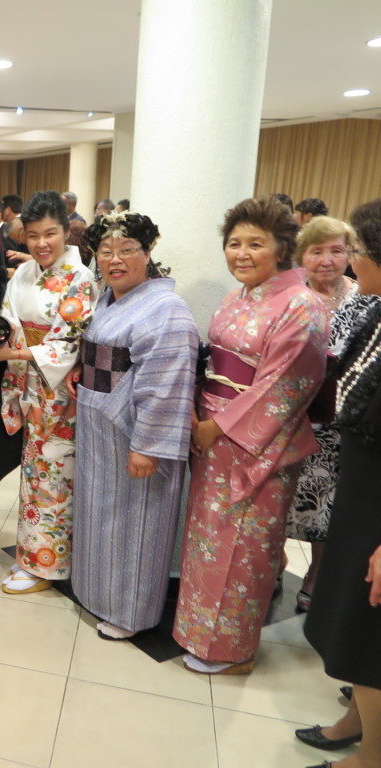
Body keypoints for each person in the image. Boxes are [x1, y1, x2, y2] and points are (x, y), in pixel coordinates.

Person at [173, 196, 328, 675]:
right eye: (234, 243)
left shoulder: (303, 305)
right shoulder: (236, 296)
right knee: (209, 538)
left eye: (255, 244)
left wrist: (217, 426)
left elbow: (285, 384)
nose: (241, 253)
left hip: (256, 439)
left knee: (245, 544)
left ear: (282, 248)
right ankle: (199, 631)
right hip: (212, 431)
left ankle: (232, 649)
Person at [71, 211, 199, 640]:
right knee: (103, 519)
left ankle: (130, 612)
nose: (115, 259)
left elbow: (165, 384)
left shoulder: (167, 310)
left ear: (148, 252)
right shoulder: (108, 299)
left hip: (133, 436)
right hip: (99, 428)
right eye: (105, 251)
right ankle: (97, 594)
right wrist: (82, 373)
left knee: (136, 525)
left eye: (128, 250)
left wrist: (147, 445)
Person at [0, 190, 96, 594]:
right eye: (33, 235)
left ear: (67, 232)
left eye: (50, 234)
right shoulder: (27, 274)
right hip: (30, 381)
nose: (42, 243)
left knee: (54, 475)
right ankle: (34, 556)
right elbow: (11, 316)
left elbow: (67, 342)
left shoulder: (80, 279)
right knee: (36, 474)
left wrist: (14, 351)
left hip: (59, 390)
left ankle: (48, 565)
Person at [301, 198, 381, 768]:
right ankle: (355, 721)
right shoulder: (376, 312)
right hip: (359, 494)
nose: (350, 263)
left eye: (357, 252)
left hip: (379, 510)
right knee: (351, 620)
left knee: (370, 631)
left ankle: (371, 756)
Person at [286, 216, 361, 612]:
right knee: (282, 494)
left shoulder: (364, 297)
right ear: (302, 256)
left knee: (325, 504)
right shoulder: (289, 296)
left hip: (339, 421)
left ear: (350, 254)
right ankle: (275, 563)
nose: (327, 260)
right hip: (290, 416)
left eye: (337, 250)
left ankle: (316, 575)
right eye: (317, 251)